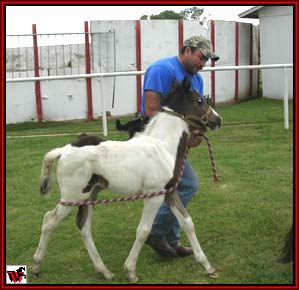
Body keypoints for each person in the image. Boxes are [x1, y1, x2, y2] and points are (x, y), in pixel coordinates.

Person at [141, 35, 219, 257]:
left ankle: (171, 241)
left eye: (206, 61)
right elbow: (151, 111)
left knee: (175, 188)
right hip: (155, 143)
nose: (203, 64)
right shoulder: (161, 70)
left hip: (176, 143)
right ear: (187, 50)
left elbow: (194, 114)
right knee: (187, 185)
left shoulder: (196, 80)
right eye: (201, 58)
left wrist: (195, 133)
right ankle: (155, 232)